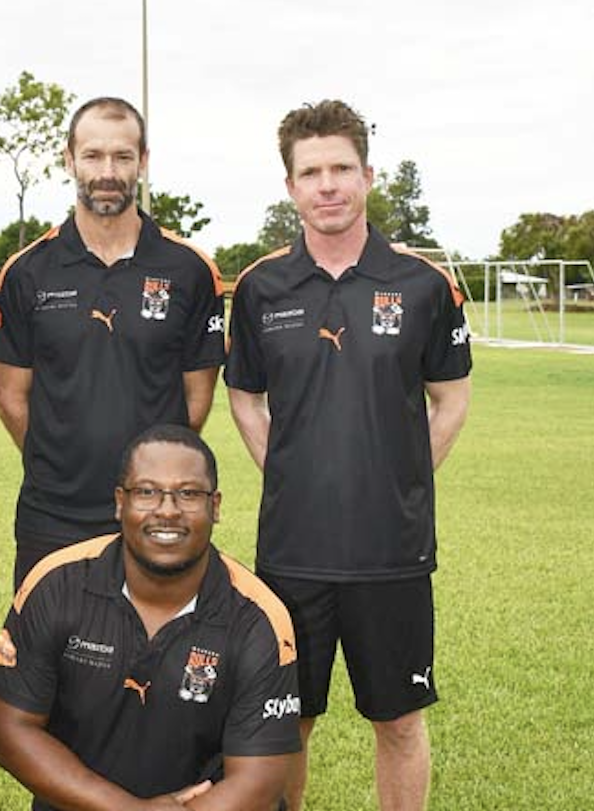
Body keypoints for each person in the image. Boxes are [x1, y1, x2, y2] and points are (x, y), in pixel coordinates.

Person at [225, 99, 472, 811]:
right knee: (287, 723)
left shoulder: (421, 283)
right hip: (293, 550)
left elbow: (450, 399)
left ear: (368, 175)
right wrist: (290, 472)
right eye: (311, 172)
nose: (327, 185)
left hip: (391, 552)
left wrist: (398, 477)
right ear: (291, 187)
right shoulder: (262, 286)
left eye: (340, 168)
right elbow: (245, 398)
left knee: (397, 718)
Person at [0, 424, 300, 811]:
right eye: (147, 492)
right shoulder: (56, 585)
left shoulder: (259, 618)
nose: (167, 511)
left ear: (215, 507)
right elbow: (8, 730)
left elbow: (259, 782)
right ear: (120, 502)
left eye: (188, 494)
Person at [0, 97, 226, 588]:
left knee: (158, 652)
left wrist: (153, 472)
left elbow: (195, 399)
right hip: (51, 512)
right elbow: (12, 397)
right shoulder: (28, 271)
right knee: (47, 655)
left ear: (143, 161)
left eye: (122, 157)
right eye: (93, 156)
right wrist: (59, 461)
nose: (108, 171)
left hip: (158, 511)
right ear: (69, 159)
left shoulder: (189, 270)